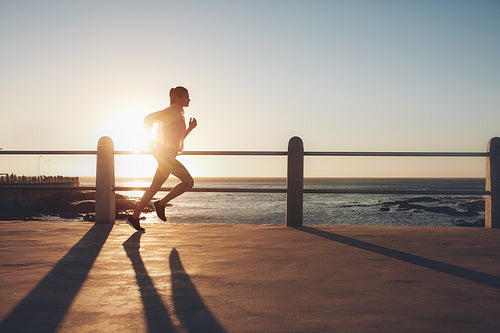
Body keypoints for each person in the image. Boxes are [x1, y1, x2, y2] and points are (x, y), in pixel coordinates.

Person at [126, 86, 197, 231]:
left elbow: (178, 139)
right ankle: (161, 204)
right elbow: (148, 119)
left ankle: (134, 218)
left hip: (168, 156)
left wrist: (190, 129)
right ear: (176, 98)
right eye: (186, 96)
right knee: (189, 182)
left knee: (154, 187)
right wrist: (150, 140)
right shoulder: (170, 112)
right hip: (166, 156)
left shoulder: (178, 114)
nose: (189, 99)